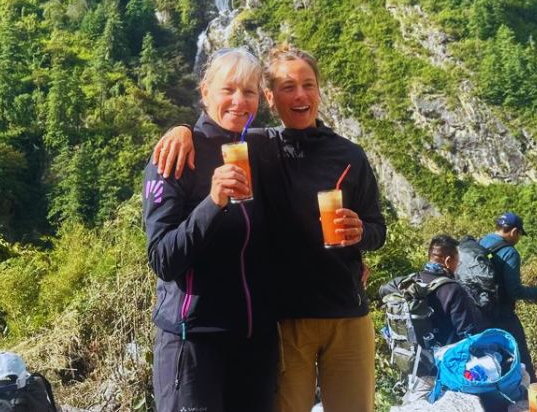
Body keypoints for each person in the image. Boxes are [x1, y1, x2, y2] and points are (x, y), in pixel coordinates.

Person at [153, 44, 387, 412]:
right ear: (271, 99)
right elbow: (164, 256)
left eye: (308, 85)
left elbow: (377, 229)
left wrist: (362, 235)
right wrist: (183, 130)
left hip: (319, 317)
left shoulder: (343, 154)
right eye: (287, 87)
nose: (300, 95)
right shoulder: (251, 148)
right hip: (269, 322)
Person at [142, 48, 279, 412]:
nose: (239, 101)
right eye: (228, 90)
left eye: (249, 92)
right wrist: (213, 202)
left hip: (256, 343)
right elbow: (162, 259)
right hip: (194, 343)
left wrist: (349, 259)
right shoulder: (175, 156)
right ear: (205, 93)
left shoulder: (261, 148)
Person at [404, 235, 483, 403]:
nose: (457, 266)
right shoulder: (452, 289)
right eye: (457, 262)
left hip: (414, 363)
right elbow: (468, 334)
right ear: (448, 261)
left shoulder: (412, 282)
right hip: (441, 370)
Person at [480, 212, 537, 382]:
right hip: (502, 314)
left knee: (491, 356)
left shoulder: (480, 243)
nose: (518, 238)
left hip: (480, 311)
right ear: (514, 232)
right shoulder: (509, 253)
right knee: (519, 352)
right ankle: (530, 388)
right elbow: (515, 291)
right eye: (519, 234)